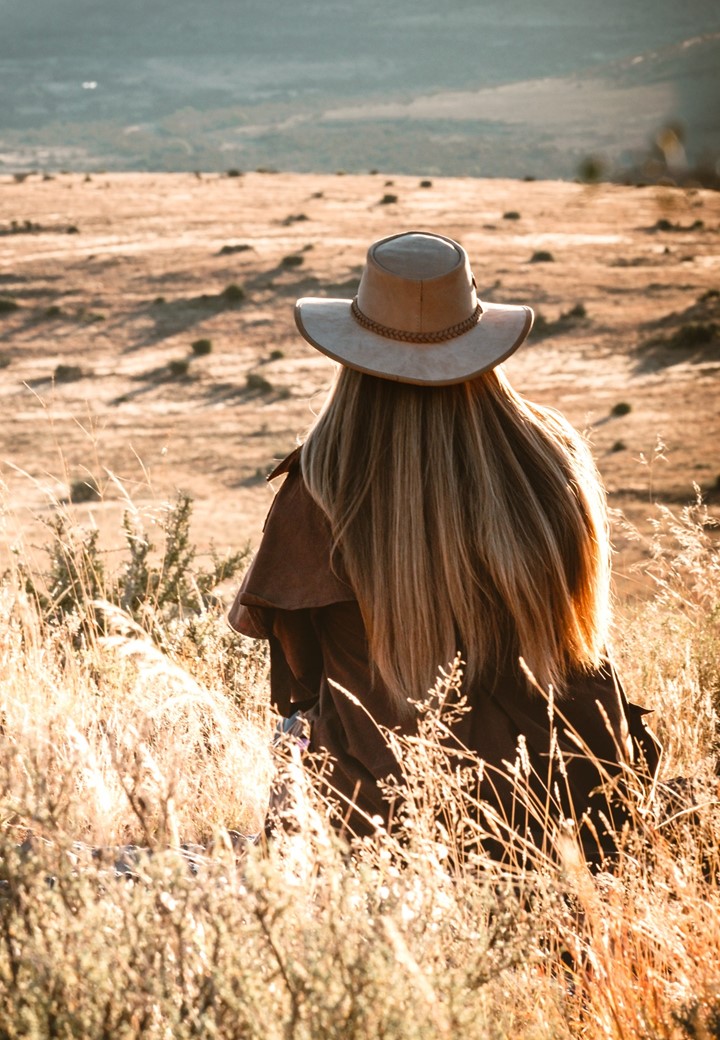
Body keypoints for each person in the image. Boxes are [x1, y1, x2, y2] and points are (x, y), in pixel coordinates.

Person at [228, 231, 660, 866]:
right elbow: (589, 647)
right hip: (578, 802)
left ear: (354, 348)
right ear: (478, 336)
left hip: (396, 819)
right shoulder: (555, 458)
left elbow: (299, 683)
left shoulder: (320, 485)